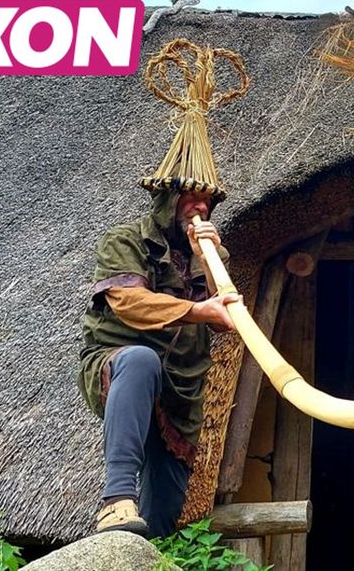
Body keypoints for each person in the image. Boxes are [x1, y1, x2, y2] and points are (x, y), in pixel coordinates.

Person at [78, 185, 239, 538]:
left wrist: (205, 256)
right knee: (141, 360)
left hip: (181, 391)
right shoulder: (125, 240)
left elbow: (222, 315)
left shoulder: (214, 255)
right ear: (167, 200)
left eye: (207, 201)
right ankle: (117, 499)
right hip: (119, 364)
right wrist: (195, 310)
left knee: (162, 512)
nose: (200, 206)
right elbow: (128, 302)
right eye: (190, 197)